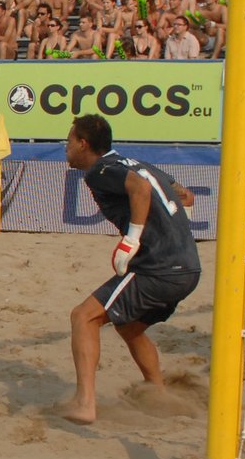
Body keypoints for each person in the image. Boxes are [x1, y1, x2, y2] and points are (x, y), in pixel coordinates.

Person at [63, 113, 201, 428]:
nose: (65, 147)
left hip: (159, 268)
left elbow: (140, 189)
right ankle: (158, 394)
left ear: (83, 144)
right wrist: (174, 232)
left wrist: (132, 239)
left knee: (83, 317)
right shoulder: (139, 164)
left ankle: (85, 404)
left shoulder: (100, 171)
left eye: (69, 141)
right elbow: (186, 196)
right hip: (188, 268)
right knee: (129, 326)